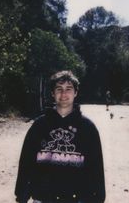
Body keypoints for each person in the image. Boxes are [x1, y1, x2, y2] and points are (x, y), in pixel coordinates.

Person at [15, 70, 106, 203]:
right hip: (43, 198)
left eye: (69, 89)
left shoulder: (88, 128)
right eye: (59, 89)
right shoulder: (39, 125)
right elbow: (26, 161)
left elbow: (96, 167)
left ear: (76, 92)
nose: (63, 94)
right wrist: (21, 193)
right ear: (52, 93)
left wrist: (97, 197)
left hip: (77, 199)